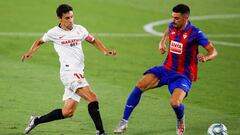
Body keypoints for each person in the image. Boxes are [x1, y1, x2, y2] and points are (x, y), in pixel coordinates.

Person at [114, 4, 217, 135]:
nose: (173, 20)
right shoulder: (172, 25)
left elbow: (213, 51)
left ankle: (180, 120)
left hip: (182, 75)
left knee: (175, 102)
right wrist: (162, 42)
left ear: (186, 18)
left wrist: (206, 58)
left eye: (176, 18)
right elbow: (168, 31)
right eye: (172, 17)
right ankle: (123, 121)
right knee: (140, 85)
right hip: (166, 69)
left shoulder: (195, 33)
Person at [21, 4, 116, 135]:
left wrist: (105, 50)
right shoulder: (53, 33)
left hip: (79, 73)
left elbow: (93, 40)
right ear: (59, 19)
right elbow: (39, 41)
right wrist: (30, 52)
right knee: (92, 98)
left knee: (68, 112)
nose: (70, 20)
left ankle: (36, 120)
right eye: (67, 18)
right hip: (69, 73)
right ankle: (101, 132)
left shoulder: (80, 29)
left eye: (72, 17)